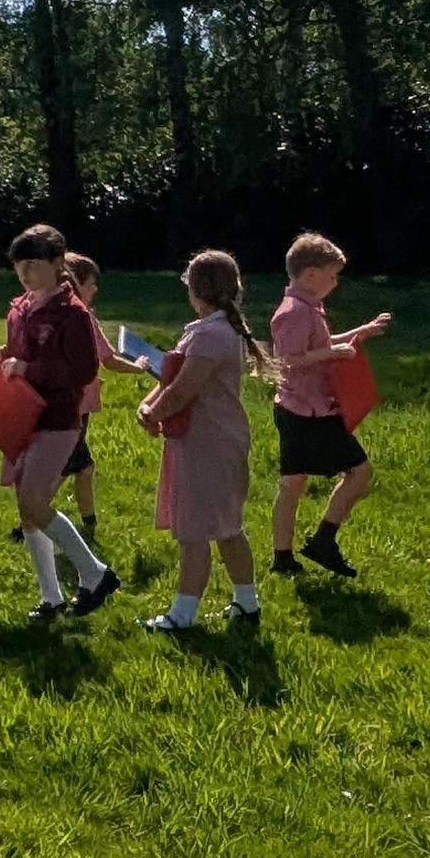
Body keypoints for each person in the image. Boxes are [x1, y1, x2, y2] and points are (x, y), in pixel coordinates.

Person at [0, 224, 117, 617]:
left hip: (57, 420)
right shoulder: (20, 308)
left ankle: (95, 574)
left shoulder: (72, 313)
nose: (25, 273)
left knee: (33, 501)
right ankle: (51, 597)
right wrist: (4, 357)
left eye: (34, 264)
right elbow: (20, 352)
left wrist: (27, 368)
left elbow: (82, 370)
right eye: (19, 265)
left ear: (58, 263)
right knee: (26, 509)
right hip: (21, 415)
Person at [139, 252, 265, 632]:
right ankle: (247, 603)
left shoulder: (210, 334)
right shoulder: (214, 329)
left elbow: (182, 392)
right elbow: (173, 381)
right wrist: (150, 404)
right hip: (216, 439)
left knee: (194, 532)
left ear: (195, 290)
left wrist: (152, 414)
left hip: (205, 443)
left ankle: (182, 615)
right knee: (227, 526)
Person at [267, 233, 395, 579]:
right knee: (359, 471)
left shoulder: (307, 307)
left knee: (293, 483)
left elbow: (319, 344)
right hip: (308, 412)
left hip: (303, 408)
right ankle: (322, 540)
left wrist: (360, 332)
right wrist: (332, 353)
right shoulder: (293, 312)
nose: (336, 282)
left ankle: (283, 556)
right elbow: (286, 359)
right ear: (311, 274)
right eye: (333, 275)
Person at [62, 251, 113, 539]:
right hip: (76, 408)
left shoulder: (53, 314)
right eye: (91, 284)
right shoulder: (82, 317)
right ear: (76, 283)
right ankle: (28, 520)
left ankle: (89, 525)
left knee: (83, 467)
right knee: (64, 468)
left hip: (68, 405)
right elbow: (110, 358)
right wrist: (142, 365)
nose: (95, 290)